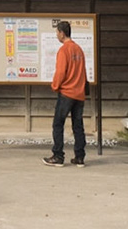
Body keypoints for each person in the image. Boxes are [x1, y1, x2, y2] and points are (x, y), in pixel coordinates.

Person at [40, 21, 87, 167]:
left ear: (61, 33)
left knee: (58, 124)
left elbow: (60, 72)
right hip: (79, 93)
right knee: (78, 126)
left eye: (57, 32)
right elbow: (83, 72)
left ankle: (58, 156)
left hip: (67, 93)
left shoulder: (64, 50)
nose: (56, 35)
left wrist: (55, 86)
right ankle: (79, 157)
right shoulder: (79, 49)